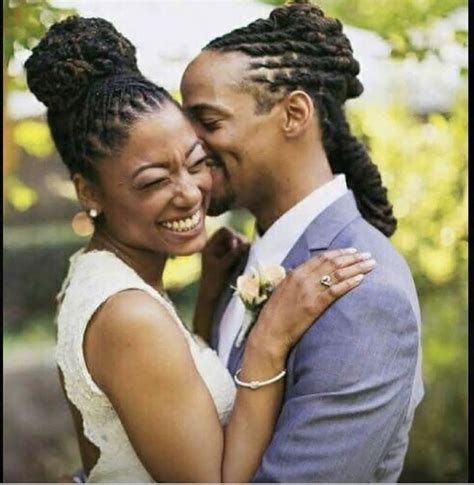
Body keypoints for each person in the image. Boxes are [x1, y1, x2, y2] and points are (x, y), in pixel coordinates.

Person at [25, 15, 374, 483]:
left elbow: (168, 400)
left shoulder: (101, 276)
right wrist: (269, 339)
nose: (190, 193)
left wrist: (209, 299)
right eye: (154, 181)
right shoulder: (130, 315)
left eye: (197, 162)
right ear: (89, 192)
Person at [181, 0, 424, 482]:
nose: (187, 148)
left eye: (207, 123)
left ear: (293, 114)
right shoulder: (236, 264)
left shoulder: (364, 295)